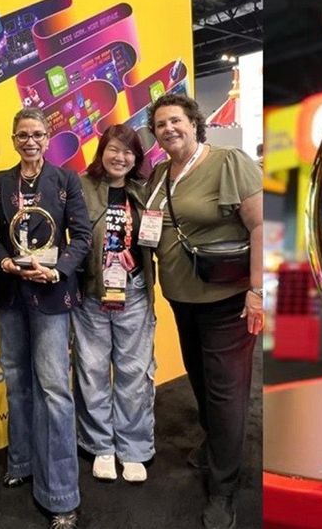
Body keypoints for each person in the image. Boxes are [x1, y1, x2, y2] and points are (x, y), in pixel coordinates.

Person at [145, 94, 263, 529]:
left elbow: (261, 224)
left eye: (176, 120)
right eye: (160, 124)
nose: (168, 129)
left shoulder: (228, 162)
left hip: (227, 302)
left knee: (227, 394)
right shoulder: (160, 174)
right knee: (199, 377)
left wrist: (258, 290)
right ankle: (216, 445)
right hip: (182, 300)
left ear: (195, 123)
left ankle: (224, 488)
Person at [0, 108, 90, 529]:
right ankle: (21, 461)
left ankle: (60, 493)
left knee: (55, 392)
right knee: (18, 382)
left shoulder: (65, 181)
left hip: (50, 291)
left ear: (48, 138)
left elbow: (80, 237)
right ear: (13, 139)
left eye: (38, 134)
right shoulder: (0, 183)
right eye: (23, 134)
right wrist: (3, 262)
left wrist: (58, 269)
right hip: (9, 292)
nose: (30, 141)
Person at [71, 124, 157, 484]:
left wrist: (135, 261)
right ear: (101, 151)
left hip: (134, 293)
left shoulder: (145, 192)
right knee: (91, 371)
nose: (120, 157)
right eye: (113, 149)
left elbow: (156, 238)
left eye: (128, 151)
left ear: (136, 158)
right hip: (90, 294)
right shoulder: (79, 186)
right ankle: (100, 445)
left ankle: (134, 447)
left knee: (134, 372)